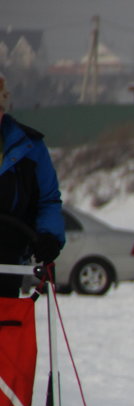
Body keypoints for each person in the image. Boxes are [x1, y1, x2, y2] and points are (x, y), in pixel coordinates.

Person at [0, 74, 65, 298]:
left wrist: (49, 236)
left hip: (9, 257)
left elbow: (48, 201)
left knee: (7, 328)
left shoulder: (30, 146)